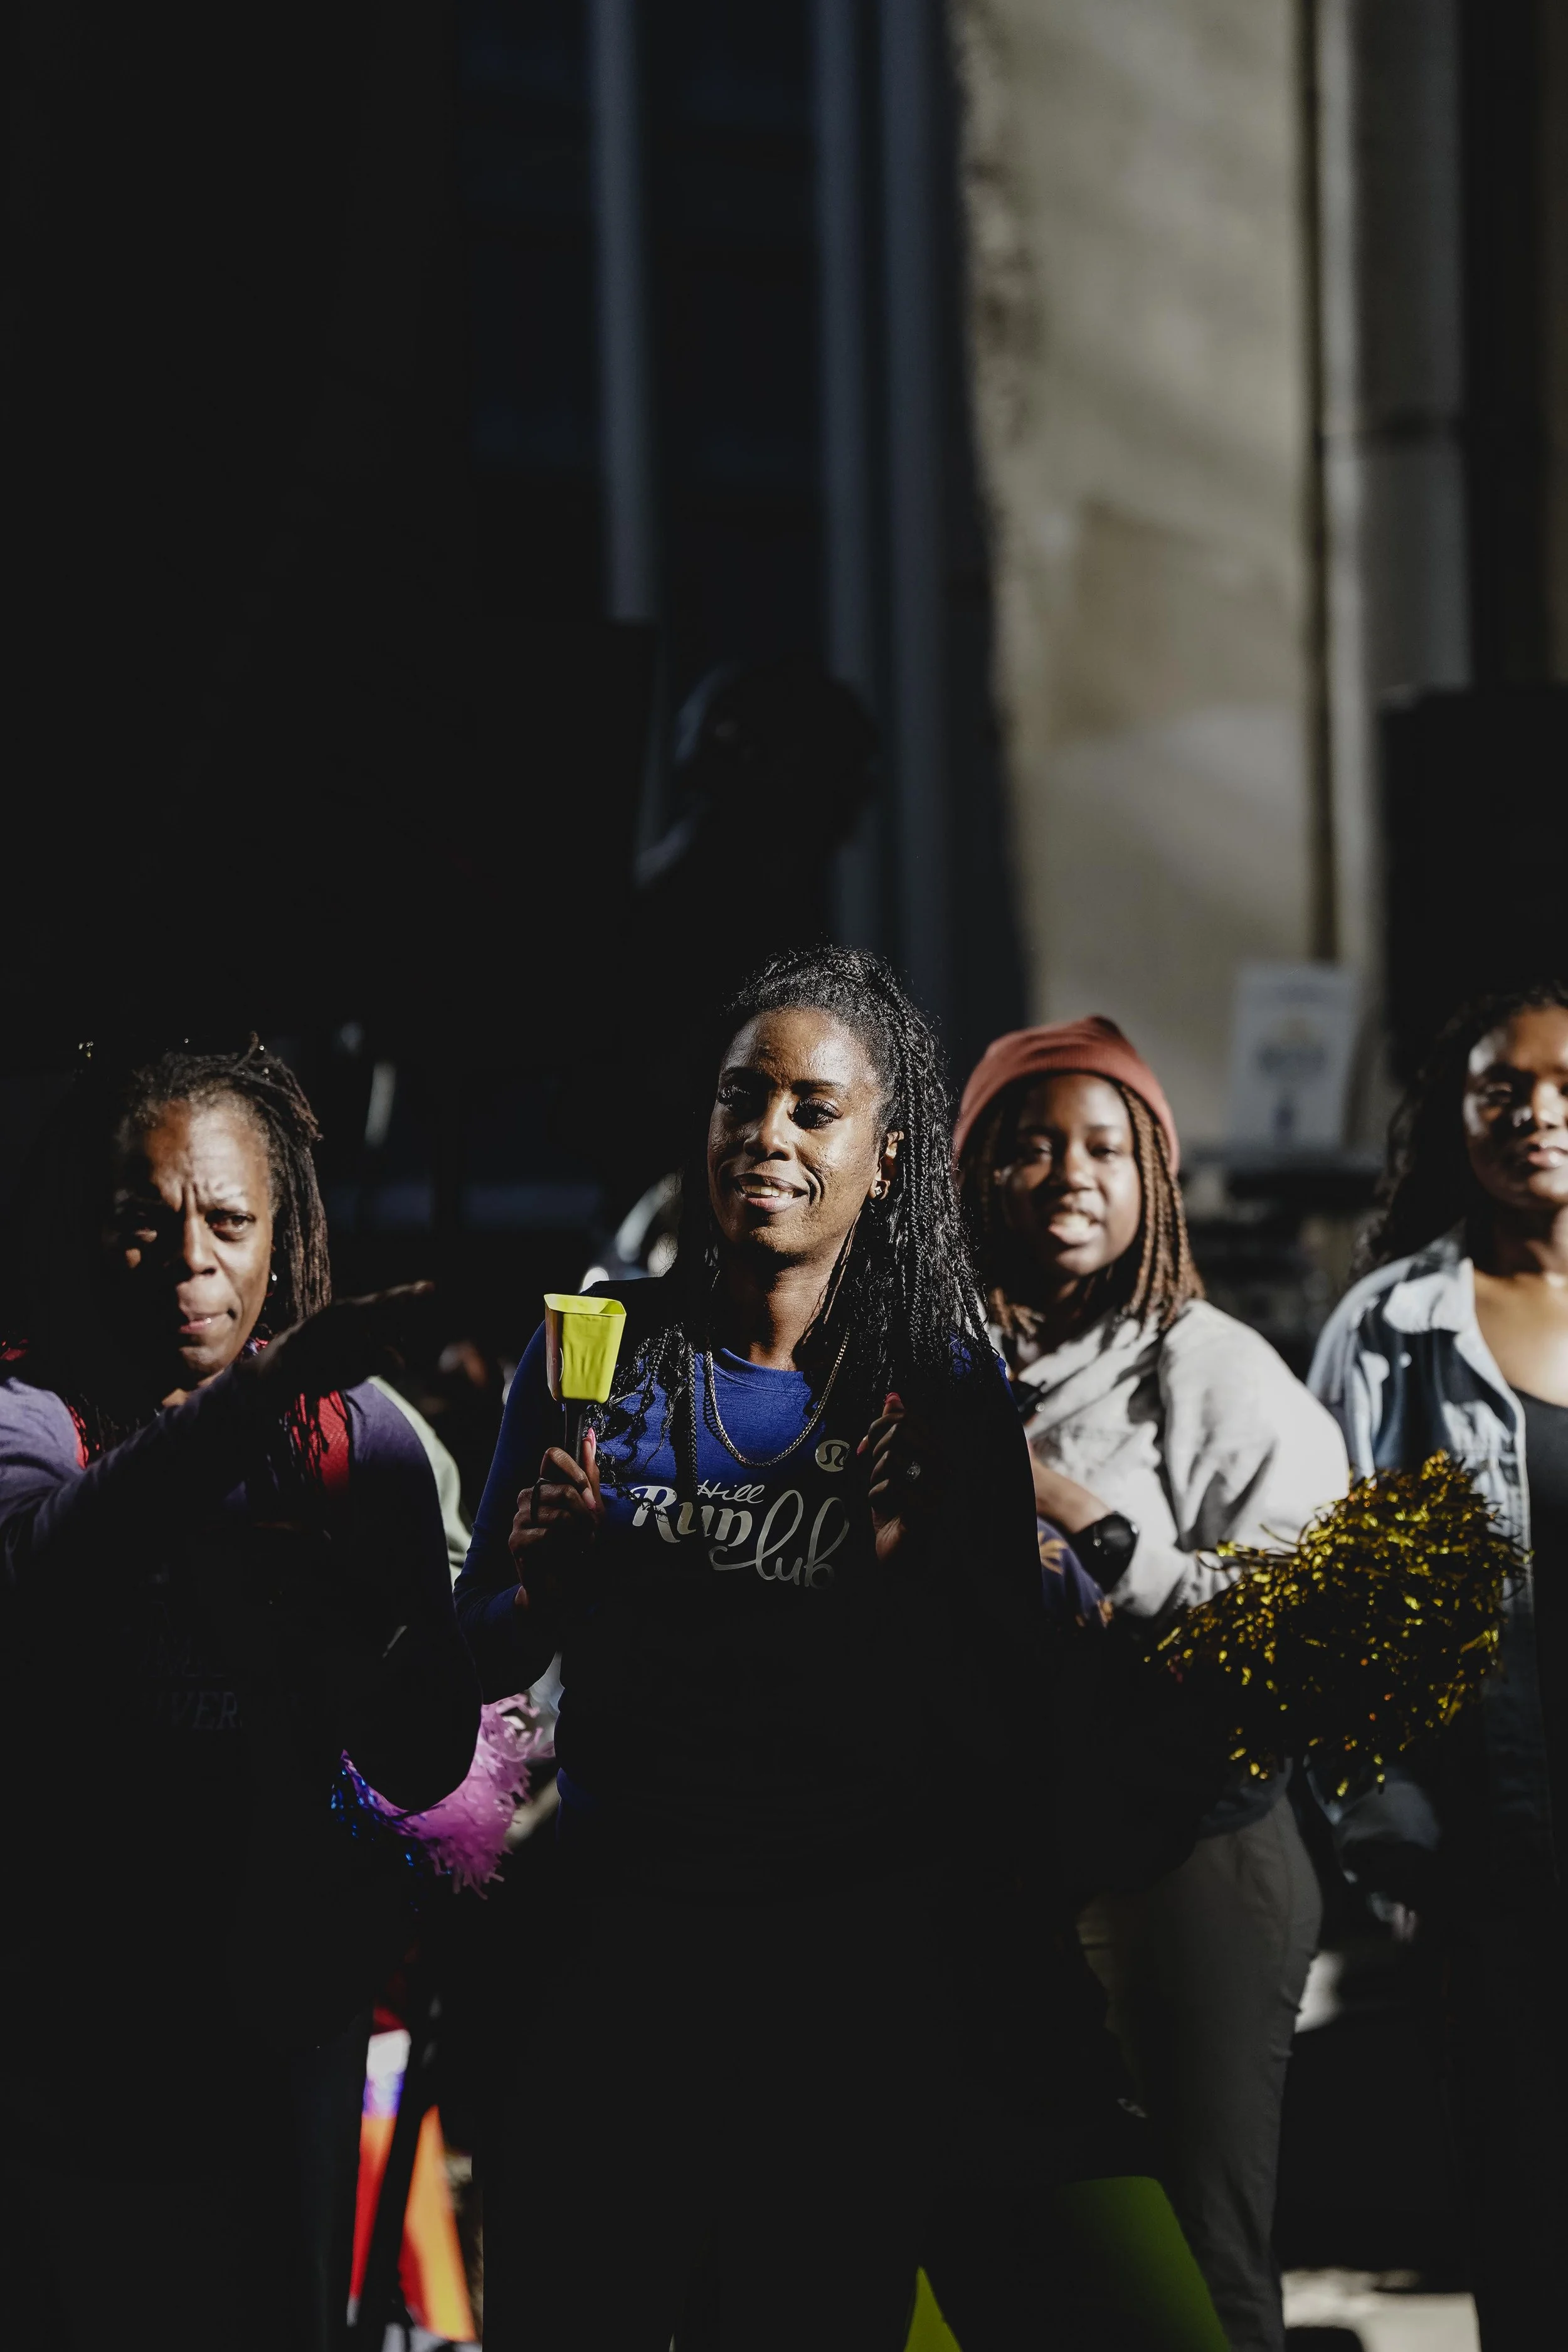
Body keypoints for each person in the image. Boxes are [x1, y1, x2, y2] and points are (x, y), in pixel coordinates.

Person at [458, 946, 1061, 2350]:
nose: (768, 1137)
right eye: (743, 1099)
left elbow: (1002, 1726)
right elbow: (466, 1653)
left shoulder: (942, 1396)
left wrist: (906, 1581)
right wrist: (537, 1605)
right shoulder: (596, 1351)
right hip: (612, 1968)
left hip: (838, 1988)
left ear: (884, 1151)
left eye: (812, 1108)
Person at [0, 1043, 479, 2352]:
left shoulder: (360, 1436)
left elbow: (429, 1752)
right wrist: (252, 1399)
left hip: (277, 2027)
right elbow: (46, 1570)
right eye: (142, 1224)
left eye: (227, 1221)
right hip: (69, 2027)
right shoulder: (33, 1413)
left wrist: (411, 1639)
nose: (190, 1258)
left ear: (283, 1235)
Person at [954, 1017, 1348, 2352]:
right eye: (1030, 1144)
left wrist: (1073, 1511)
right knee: (1030, 2244)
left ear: (1154, 1180)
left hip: (1191, 1858)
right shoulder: (933, 1369)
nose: (1070, 1173)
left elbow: (1308, 1622)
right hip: (998, 1866)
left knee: (1196, 2248)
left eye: (1105, 1147)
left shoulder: (1211, 1370)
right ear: (971, 1175)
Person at [1308, 980, 1568, 2349]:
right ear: (1456, 1118)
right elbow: (1333, 1596)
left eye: (1562, 1087)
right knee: (1527, 2216)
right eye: (1501, 1090)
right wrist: (1379, 1825)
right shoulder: (1388, 1329)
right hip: (1494, 1851)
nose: (1536, 1114)